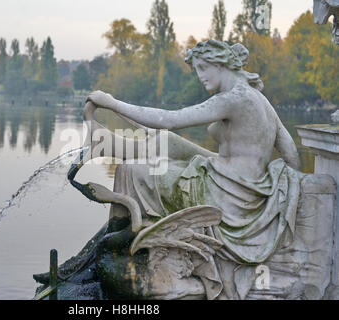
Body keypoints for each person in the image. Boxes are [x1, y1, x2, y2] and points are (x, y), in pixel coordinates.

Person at [86, 40, 303, 299]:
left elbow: (171, 119)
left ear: (221, 64)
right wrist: (277, 195)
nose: (200, 76)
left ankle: (121, 249)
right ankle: (111, 147)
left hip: (226, 195)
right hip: (241, 189)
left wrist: (112, 103)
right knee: (165, 146)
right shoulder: (259, 100)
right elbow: (290, 152)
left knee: (132, 172)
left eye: (203, 67)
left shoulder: (232, 99)